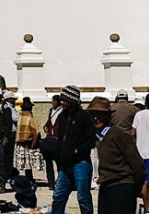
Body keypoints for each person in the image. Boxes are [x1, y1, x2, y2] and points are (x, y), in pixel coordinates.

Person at [86, 97, 145, 214]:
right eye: (93, 114)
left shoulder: (119, 134)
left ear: (108, 116)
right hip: (106, 184)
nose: (95, 118)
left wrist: (139, 186)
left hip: (122, 184)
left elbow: (136, 162)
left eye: (99, 114)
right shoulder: (96, 135)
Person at [51, 85, 95, 214]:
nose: (62, 103)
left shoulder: (84, 117)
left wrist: (77, 151)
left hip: (80, 163)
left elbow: (91, 140)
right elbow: (60, 137)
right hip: (65, 165)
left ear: (72, 101)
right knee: (58, 196)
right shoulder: (63, 116)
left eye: (65, 100)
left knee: (83, 197)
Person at [14, 98, 44, 182]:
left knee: (25, 163)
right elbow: (35, 131)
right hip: (28, 143)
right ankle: (29, 178)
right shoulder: (30, 117)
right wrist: (34, 142)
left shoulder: (20, 116)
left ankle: (28, 177)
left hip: (20, 142)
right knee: (29, 162)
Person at [41, 94, 63, 186]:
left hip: (57, 139)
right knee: (48, 163)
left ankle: (60, 180)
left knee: (59, 162)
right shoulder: (51, 111)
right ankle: (50, 181)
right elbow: (49, 121)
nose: (52, 103)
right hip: (50, 138)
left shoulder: (63, 111)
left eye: (54, 101)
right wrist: (46, 126)